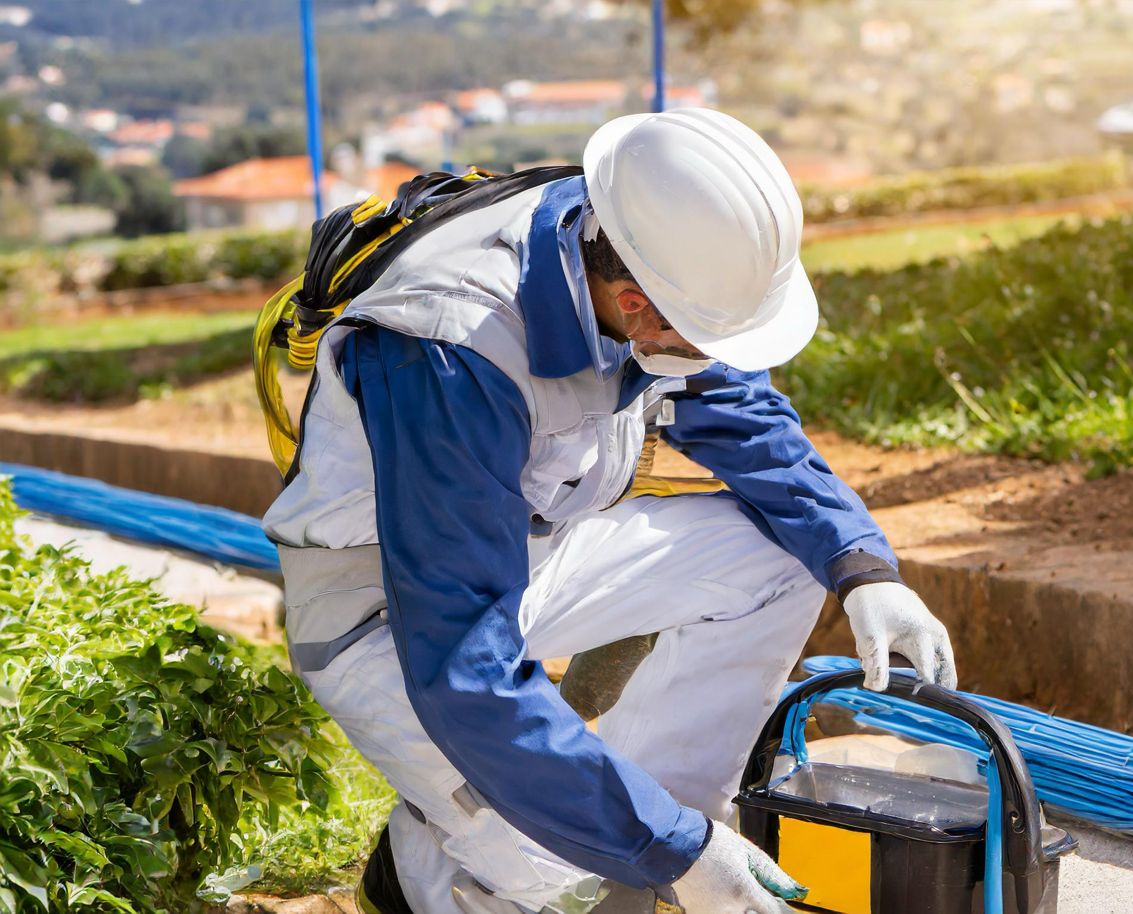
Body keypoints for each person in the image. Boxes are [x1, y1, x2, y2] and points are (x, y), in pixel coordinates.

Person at [262, 107, 958, 914]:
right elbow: (463, 663)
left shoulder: (630, 239)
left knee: (776, 562)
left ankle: (665, 849)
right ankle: (426, 874)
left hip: (524, 557)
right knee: (562, 878)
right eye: (703, 338)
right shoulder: (454, 348)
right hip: (387, 617)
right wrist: (661, 847)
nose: (712, 363)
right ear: (635, 305)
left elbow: (741, 415)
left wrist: (860, 565)